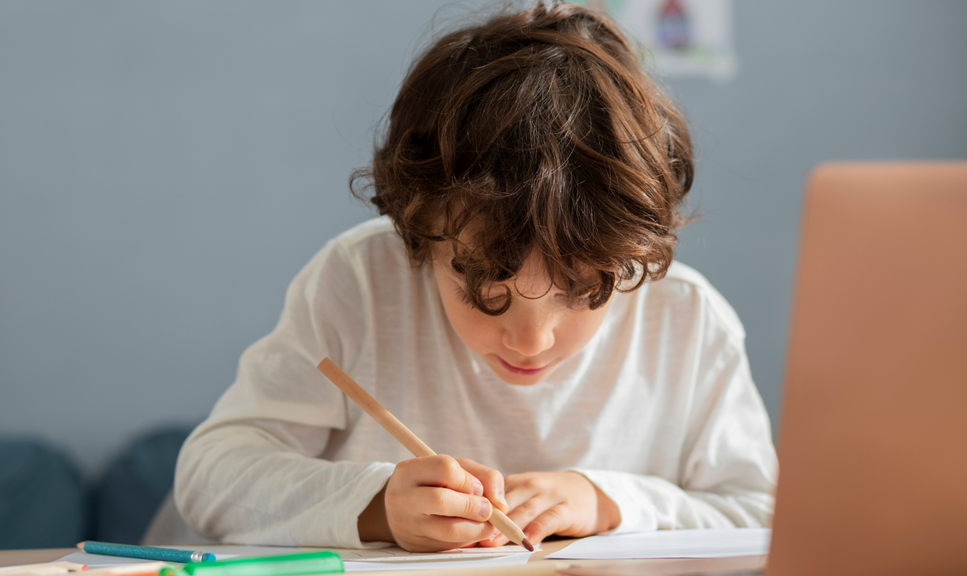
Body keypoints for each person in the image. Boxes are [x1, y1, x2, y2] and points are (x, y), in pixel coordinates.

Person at [174, 1, 777, 552]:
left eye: (580, 291)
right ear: (418, 234)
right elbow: (210, 477)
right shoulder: (360, 284)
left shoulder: (687, 321)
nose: (532, 340)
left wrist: (609, 502)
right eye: (488, 293)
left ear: (630, 253)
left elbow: (762, 510)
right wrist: (377, 506)